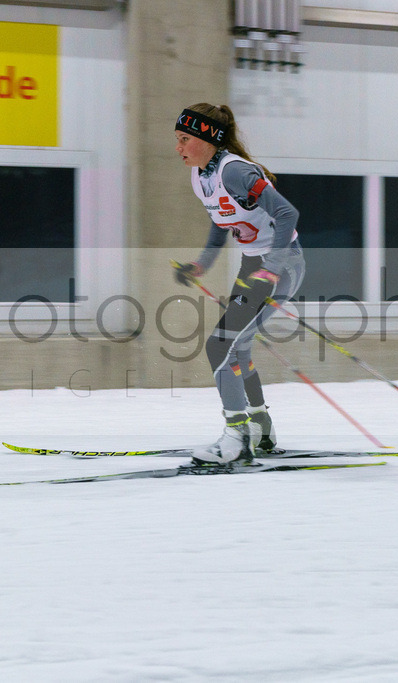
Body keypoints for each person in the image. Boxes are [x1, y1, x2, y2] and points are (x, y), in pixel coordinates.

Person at [172, 103, 305, 467]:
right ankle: (261, 429)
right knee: (237, 347)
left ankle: (236, 437)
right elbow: (221, 223)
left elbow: (287, 213)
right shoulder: (201, 176)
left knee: (219, 345)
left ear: (207, 138)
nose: (178, 147)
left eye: (184, 139)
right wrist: (201, 265)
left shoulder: (235, 171)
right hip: (253, 265)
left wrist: (272, 268)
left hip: (281, 263)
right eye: (177, 139)